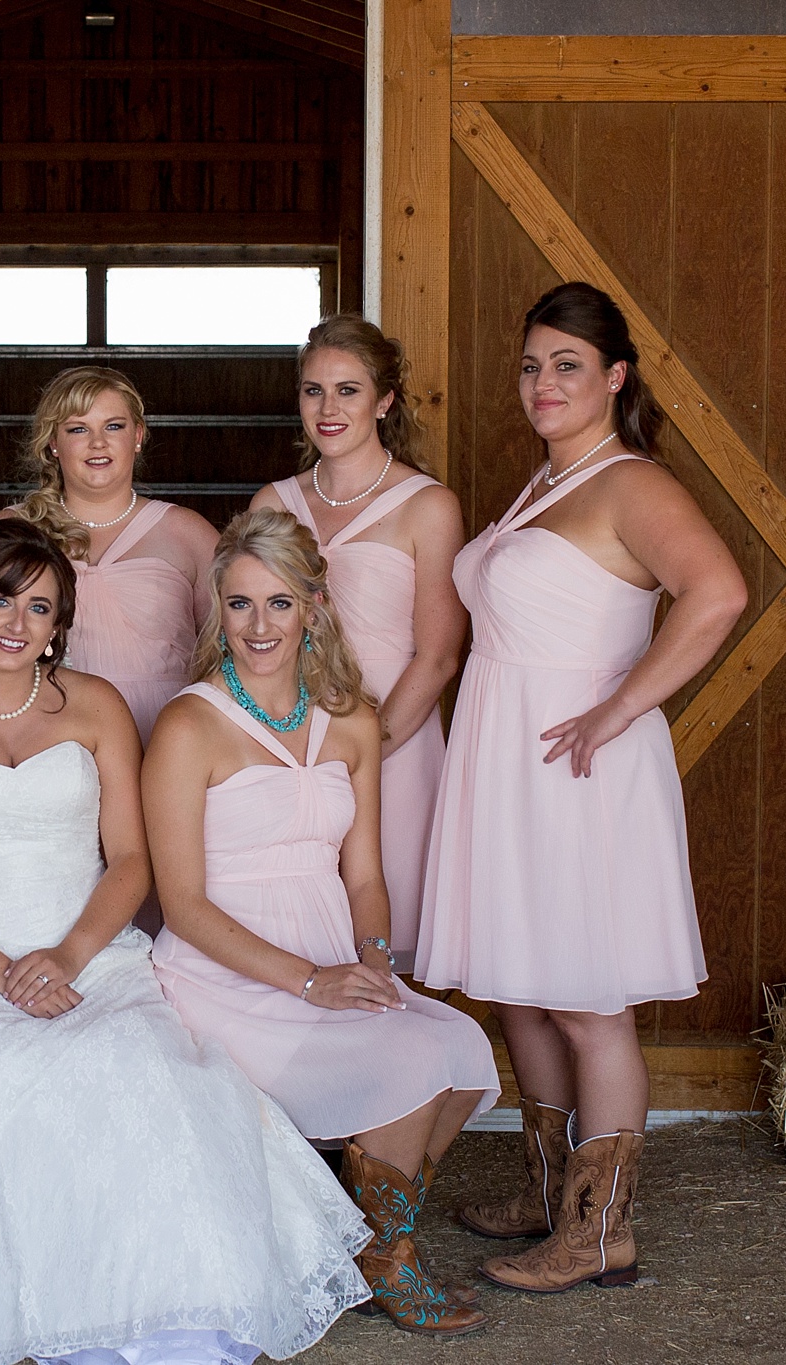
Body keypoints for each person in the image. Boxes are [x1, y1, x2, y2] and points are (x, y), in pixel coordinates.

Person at [0, 520, 371, 1365]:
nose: (18, 621)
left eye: (40, 607)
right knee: (2, 1075)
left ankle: (173, 1306)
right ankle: (46, 1314)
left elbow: (133, 861)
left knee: (149, 1071)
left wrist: (69, 956)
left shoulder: (97, 706)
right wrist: (5, 973)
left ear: (58, 625)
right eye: (1, 598)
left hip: (89, 953)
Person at [416, 282, 747, 1294]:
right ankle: (551, 1193)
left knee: (585, 999)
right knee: (521, 986)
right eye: (529, 365)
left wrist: (619, 706)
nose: (541, 383)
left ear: (613, 378)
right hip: (504, 754)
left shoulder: (627, 483)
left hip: (577, 764)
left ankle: (602, 1229)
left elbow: (719, 592)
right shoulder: (543, 482)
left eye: (565, 364)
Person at [146, 509, 500, 1338]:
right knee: (408, 1056)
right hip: (224, 973)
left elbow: (366, 874)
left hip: (332, 951)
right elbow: (185, 905)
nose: (259, 626)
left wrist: (373, 960)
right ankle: (387, 1258)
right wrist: (311, 981)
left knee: (461, 1050)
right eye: (239, 605)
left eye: (278, 602)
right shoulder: (188, 725)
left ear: (313, 605)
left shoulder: (351, 719)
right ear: (218, 612)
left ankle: (355, 1235)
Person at [252, 318, 464, 971]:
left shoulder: (427, 506)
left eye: (348, 390)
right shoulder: (273, 502)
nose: (328, 408)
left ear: (385, 400)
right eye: (313, 391)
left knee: (387, 954)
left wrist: (364, 751)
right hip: (290, 746)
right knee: (299, 944)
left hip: (394, 749)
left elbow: (438, 655)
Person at [4, 366, 218, 745]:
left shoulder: (189, 534)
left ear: (138, 435)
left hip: (168, 738)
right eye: (78, 429)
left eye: (114, 427)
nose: (98, 443)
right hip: (48, 738)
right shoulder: (11, 530)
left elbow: (229, 651)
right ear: (54, 442)